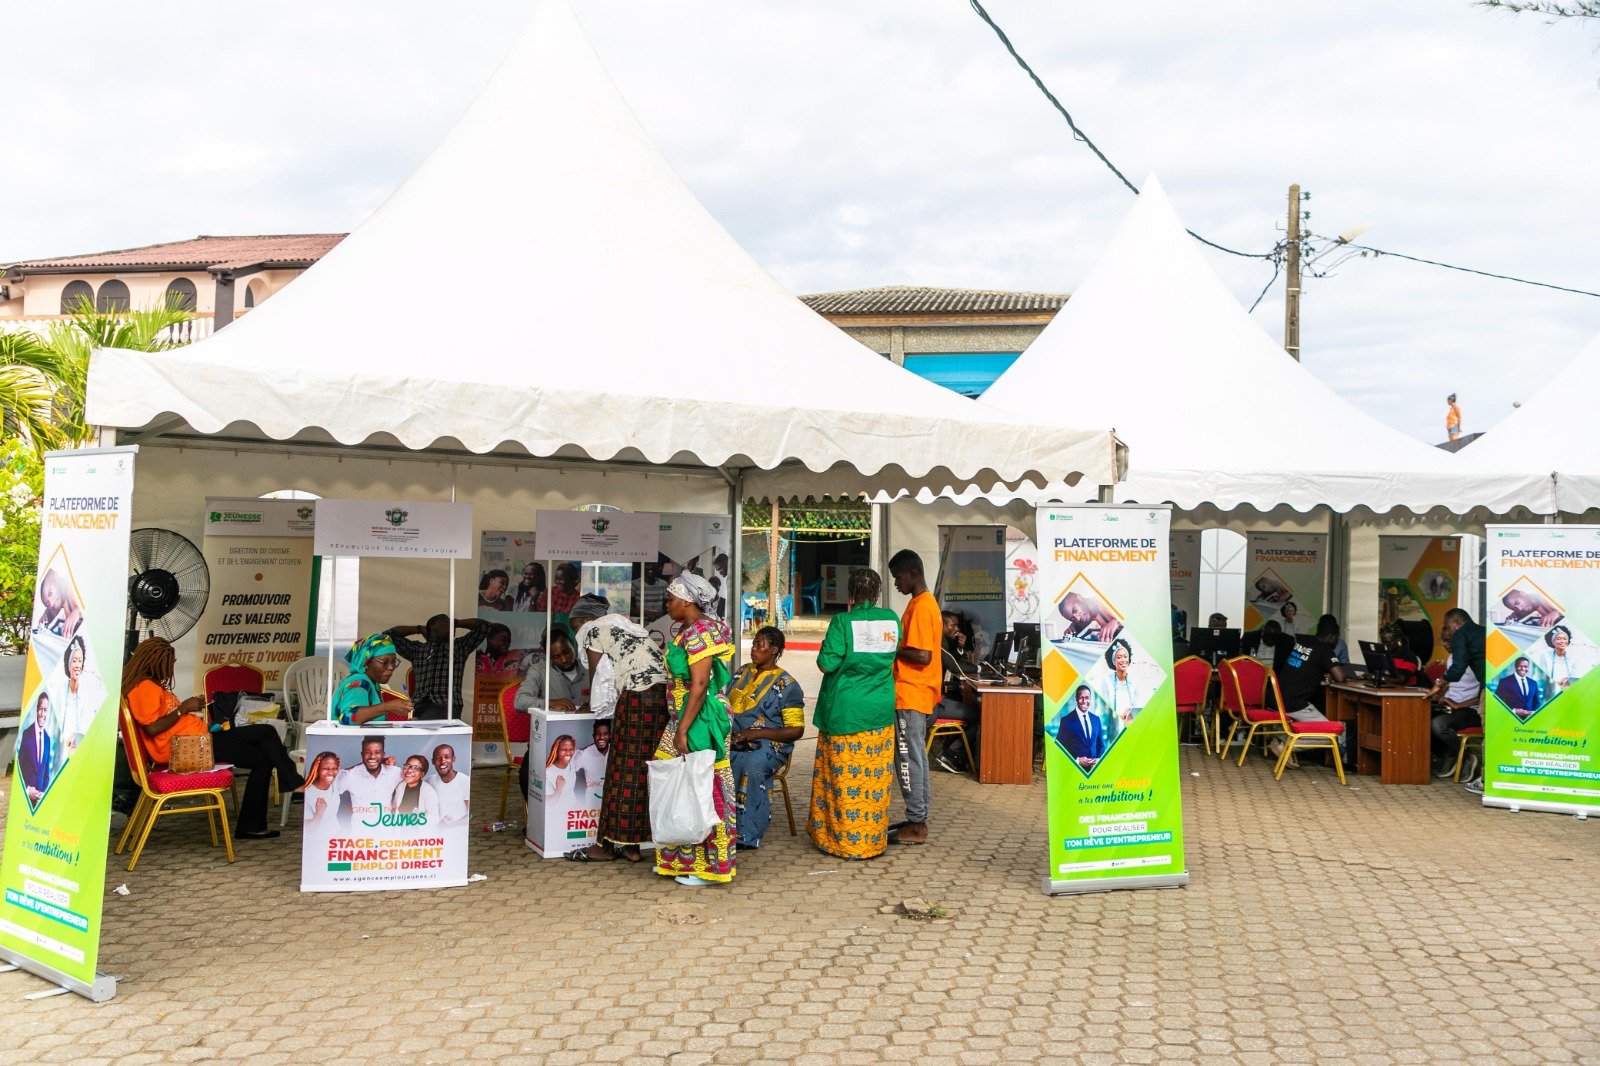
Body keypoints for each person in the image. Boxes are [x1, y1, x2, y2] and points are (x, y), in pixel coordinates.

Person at [123, 637, 304, 840]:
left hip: (199, 741)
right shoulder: (143, 688)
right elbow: (152, 728)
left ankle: (254, 824)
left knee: (263, 756)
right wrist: (184, 708)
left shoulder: (150, 686)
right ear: (156, 662)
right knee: (267, 733)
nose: (171, 668)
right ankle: (293, 784)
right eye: (170, 663)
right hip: (186, 750)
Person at [567, 597, 668, 864]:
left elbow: (597, 679)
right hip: (661, 698)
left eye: (574, 623)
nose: (574, 630)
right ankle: (633, 846)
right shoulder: (626, 626)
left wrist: (588, 707)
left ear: (583, 620)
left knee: (620, 772)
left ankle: (605, 847)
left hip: (636, 699)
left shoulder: (593, 630)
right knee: (644, 770)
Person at [808, 568, 899, 860]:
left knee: (843, 780)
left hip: (846, 713)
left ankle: (843, 842)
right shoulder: (892, 620)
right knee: (874, 780)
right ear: (877, 593)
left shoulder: (842, 622)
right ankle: (871, 842)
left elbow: (826, 664)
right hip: (880, 712)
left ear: (851, 594)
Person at [653, 573, 738, 886]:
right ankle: (681, 859)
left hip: (700, 719)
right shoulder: (687, 629)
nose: (667, 603)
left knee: (706, 787)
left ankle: (709, 867)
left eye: (671, 598)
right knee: (676, 780)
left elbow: (700, 684)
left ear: (687, 601)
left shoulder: (701, 630)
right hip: (684, 717)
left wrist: (683, 729)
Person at [727, 626, 804, 850]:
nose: (754, 649)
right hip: (735, 737)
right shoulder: (741, 673)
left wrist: (756, 733)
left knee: (751, 763)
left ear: (774, 650)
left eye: (760, 645)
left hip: (771, 743)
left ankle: (746, 834)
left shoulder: (788, 686)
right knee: (709, 756)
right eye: (753, 644)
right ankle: (716, 828)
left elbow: (796, 729)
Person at [888, 549, 940, 847]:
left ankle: (917, 823)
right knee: (917, 757)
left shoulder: (921, 606)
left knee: (908, 758)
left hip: (911, 692)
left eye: (898, 578)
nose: (897, 584)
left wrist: (892, 647)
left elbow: (922, 655)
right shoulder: (923, 604)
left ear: (912, 574)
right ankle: (917, 817)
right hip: (916, 693)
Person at [515, 627, 591, 801]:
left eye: (566, 652)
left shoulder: (589, 668)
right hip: (547, 744)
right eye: (556, 657)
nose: (563, 659)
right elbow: (519, 701)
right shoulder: (539, 670)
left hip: (585, 744)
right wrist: (550, 703)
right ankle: (536, 823)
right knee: (527, 776)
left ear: (573, 645)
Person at [1261, 619, 1348, 767]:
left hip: (1274, 697)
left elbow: (1305, 666)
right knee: (1330, 733)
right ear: (1333, 636)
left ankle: (1279, 740)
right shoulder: (1324, 650)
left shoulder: (1303, 642)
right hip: (1292, 702)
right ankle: (1285, 747)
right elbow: (1340, 677)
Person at [385, 615, 493, 719]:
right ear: (433, 628)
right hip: (418, 705)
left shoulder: (460, 647)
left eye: (451, 622)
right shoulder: (417, 649)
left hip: (445, 704)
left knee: (428, 720)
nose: (451, 624)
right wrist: (419, 629)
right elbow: (388, 635)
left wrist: (457, 622)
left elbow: (484, 626)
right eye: (445, 622)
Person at [1428, 608, 1485, 777]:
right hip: (1464, 702)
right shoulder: (1481, 633)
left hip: (1471, 707)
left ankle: (1467, 759)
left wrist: (1439, 684)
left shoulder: (1462, 635)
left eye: (1448, 626)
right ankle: (1449, 755)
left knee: (1439, 725)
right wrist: (1441, 694)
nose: (1449, 640)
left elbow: (1458, 670)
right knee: (1424, 719)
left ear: (1457, 623)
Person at [46, 633, 106, 769]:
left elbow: (91, 722)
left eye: (80, 661)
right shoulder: (59, 691)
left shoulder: (89, 690)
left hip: (82, 751)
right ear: (68, 664)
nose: (77, 665)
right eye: (74, 661)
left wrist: (76, 737)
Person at [333, 633, 414, 727]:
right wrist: (388, 707)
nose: (391, 667)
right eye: (385, 662)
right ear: (366, 661)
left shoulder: (373, 683)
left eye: (393, 662)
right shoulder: (359, 683)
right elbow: (348, 717)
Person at [337, 735, 403, 823]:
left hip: (386, 833)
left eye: (377, 752)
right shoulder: (350, 775)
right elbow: (329, 782)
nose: (372, 756)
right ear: (362, 754)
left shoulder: (395, 772)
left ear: (383, 754)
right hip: (360, 833)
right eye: (368, 752)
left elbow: (415, 780)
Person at [1100, 637, 1154, 731]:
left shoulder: (1135, 681)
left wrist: (1130, 714)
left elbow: (1138, 706)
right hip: (1114, 726)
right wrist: (1119, 717)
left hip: (1132, 724)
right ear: (1113, 661)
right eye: (1119, 657)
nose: (1123, 660)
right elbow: (1104, 709)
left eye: (1125, 656)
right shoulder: (1106, 681)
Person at [1058, 685, 1107, 772]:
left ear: (1090, 699)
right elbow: (1060, 747)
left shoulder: (1096, 719)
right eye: (1081, 698)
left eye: (1087, 698)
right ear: (1076, 699)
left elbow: (1101, 744)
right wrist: (1077, 760)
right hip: (1075, 769)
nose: (1084, 701)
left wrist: (1098, 760)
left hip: (1094, 769)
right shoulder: (1066, 720)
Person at [18, 693, 55, 805]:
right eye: (40, 709)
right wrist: (27, 789)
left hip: (40, 801)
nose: (42, 713)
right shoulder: (26, 734)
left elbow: (46, 773)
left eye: (45, 710)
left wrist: (42, 793)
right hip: (25, 800)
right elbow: (19, 767)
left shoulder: (48, 739)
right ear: (36, 709)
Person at [429, 743, 471, 826]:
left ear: (453, 759)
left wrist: (453, 824)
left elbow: (472, 814)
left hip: (458, 833)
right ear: (433, 761)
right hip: (436, 834)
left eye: (447, 757)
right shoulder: (429, 781)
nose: (442, 761)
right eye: (438, 758)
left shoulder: (465, 781)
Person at [33, 568, 81, 641]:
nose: (51, 603)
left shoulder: (71, 588)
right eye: (47, 603)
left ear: (57, 579)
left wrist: (77, 612)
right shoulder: (59, 604)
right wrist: (46, 614)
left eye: (51, 593)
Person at [1541, 624, 1592, 692]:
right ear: (1553, 642)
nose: (1562, 641)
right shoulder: (1545, 656)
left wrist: (1569, 682)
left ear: (1567, 642)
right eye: (1559, 639)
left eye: (1564, 639)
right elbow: (1542, 678)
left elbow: (1575, 676)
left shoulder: (1573, 656)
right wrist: (1557, 683)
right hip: (1551, 690)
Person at [1056, 590, 1121, 643]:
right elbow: (1076, 625)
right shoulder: (1089, 614)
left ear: (1079, 598)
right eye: (1073, 619)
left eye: (1075, 610)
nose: (1078, 619)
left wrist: (1116, 621)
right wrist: (1070, 630)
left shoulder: (1104, 600)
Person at [301, 752, 341, 834]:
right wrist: (319, 813)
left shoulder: (336, 780)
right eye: (326, 769)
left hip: (337, 837)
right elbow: (308, 830)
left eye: (335, 768)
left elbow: (360, 766)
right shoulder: (308, 793)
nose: (331, 773)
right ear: (317, 769)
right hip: (318, 840)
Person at [572, 721, 610, 799]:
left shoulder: (617, 751)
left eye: (605, 734)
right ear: (593, 736)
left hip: (612, 802)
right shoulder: (583, 754)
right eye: (598, 734)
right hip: (591, 804)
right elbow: (566, 771)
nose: (601, 737)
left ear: (610, 736)